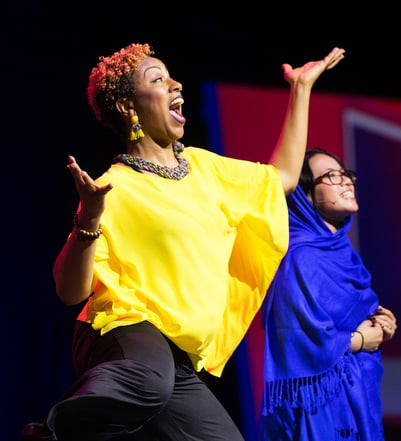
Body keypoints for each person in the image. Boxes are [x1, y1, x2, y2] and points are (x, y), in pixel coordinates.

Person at [20, 43, 345, 441]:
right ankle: (50, 435)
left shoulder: (206, 168)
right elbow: (70, 291)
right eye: (157, 79)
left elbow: (283, 178)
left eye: (171, 76)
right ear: (128, 107)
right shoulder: (117, 187)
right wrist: (88, 218)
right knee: (149, 379)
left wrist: (301, 88)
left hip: (177, 357)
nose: (175, 84)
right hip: (123, 330)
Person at [259, 148, 398, 441]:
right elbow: (296, 339)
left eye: (347, 174)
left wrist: (382, 325)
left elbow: (357, 315)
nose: (347, 181)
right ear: (305, 196)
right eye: (332, 176)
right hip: (317, 411)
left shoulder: (345, 255)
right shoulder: (300, 259)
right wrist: (359, 340)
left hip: (355, 402)